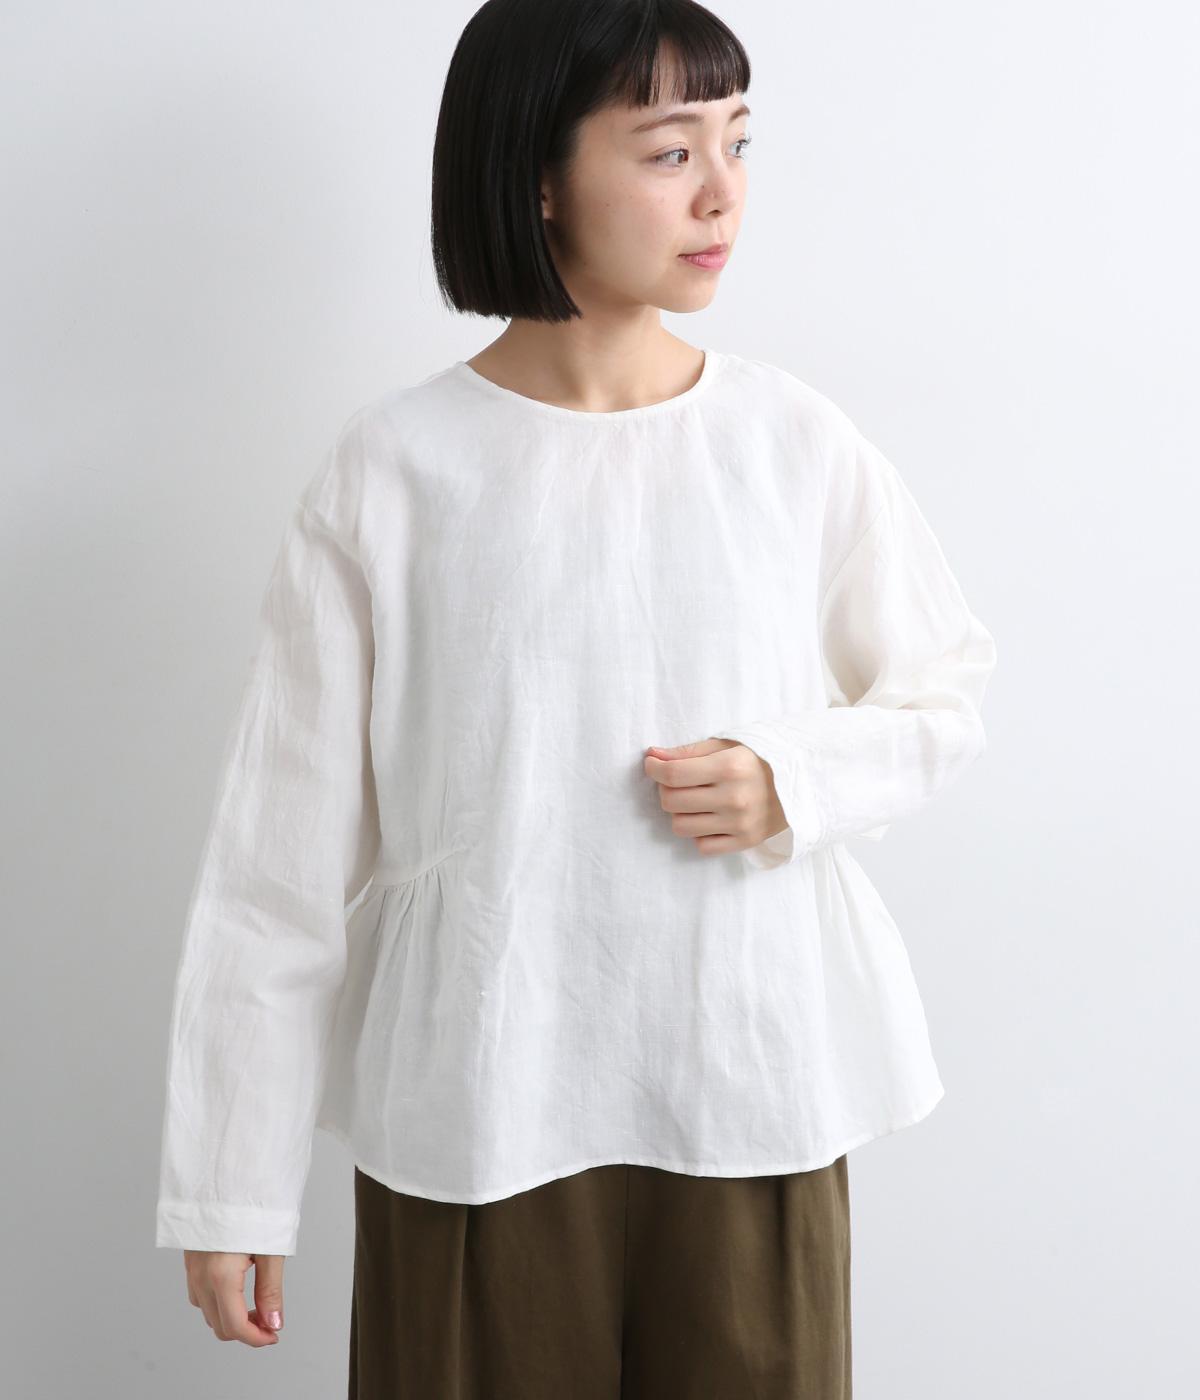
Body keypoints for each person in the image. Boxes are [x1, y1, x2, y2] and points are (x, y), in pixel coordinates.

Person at [154, 1, 998, 1395]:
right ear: (537, 176)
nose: (722, 192)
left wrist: (793, 779)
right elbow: (275, 865)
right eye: (670, 151)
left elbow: (942, 693)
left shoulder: (790, 443)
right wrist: (230, 1182)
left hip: (748, 1091)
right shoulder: (398, 471)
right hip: (481, 1105)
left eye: (737, 142)